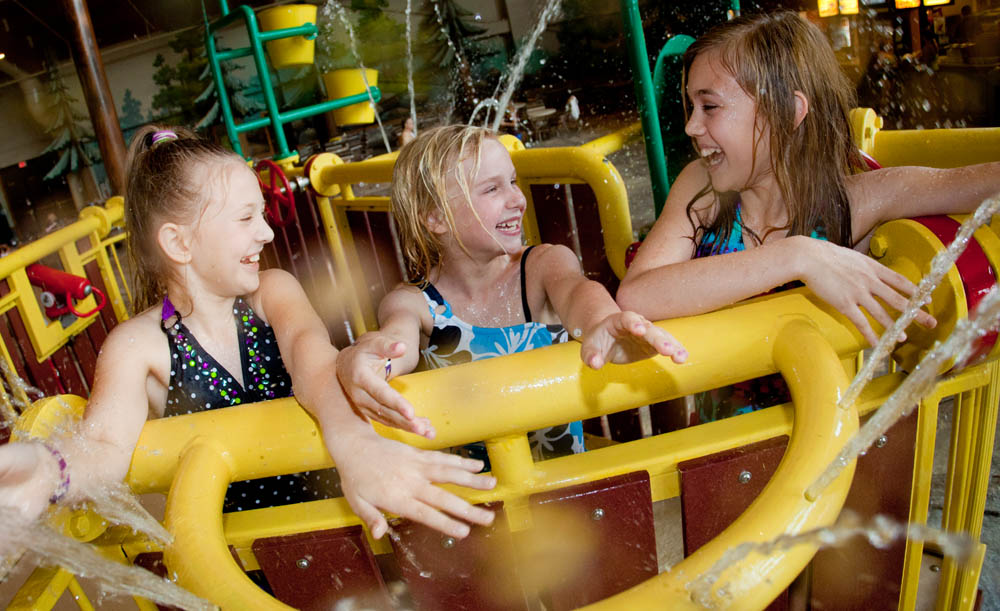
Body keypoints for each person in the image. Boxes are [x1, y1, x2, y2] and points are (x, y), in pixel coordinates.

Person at [0, 126, 495, 543]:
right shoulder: (138, 345)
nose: (268, 233)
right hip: (244, 560)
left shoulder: (273, 292)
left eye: (261, 214)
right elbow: (104, 444)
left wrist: (357, 447)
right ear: (179, 242)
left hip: (346, 522)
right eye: (245, 218)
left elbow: (313, 361)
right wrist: (47, 469)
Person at [616, 11, 1000, 421]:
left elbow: (976, 182)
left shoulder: (852, 202)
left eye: (709, 106)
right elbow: (637, 294)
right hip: (719, 447)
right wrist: (795, 256)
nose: (692, 126)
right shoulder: (704, 191)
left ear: (788, 110)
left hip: (824, 448)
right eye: (690, 106)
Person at [336, 125, 687, 462]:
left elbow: (577, 292)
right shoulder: (414, 303)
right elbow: (396, 343)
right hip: (483, 499)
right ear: (436, 218)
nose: (517, 199)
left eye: (513, 182)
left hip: (567, 490)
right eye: (492, 189)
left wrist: (602, 321)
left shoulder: (542, 267)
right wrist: (370, 360)